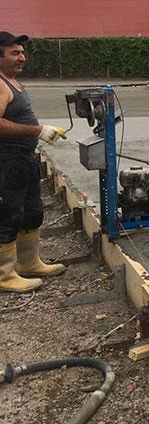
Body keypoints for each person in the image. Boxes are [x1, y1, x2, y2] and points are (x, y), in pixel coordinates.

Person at [0, 32, 68, 293]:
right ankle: (4, 275)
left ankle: (28, 263)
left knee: (31, 212)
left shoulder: (13, 81)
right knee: (8, 215)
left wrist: (37, 132)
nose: (22, 58)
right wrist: (36, 131)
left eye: (22, 52)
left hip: (24, 159)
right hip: (7, 160)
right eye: (14, 53)